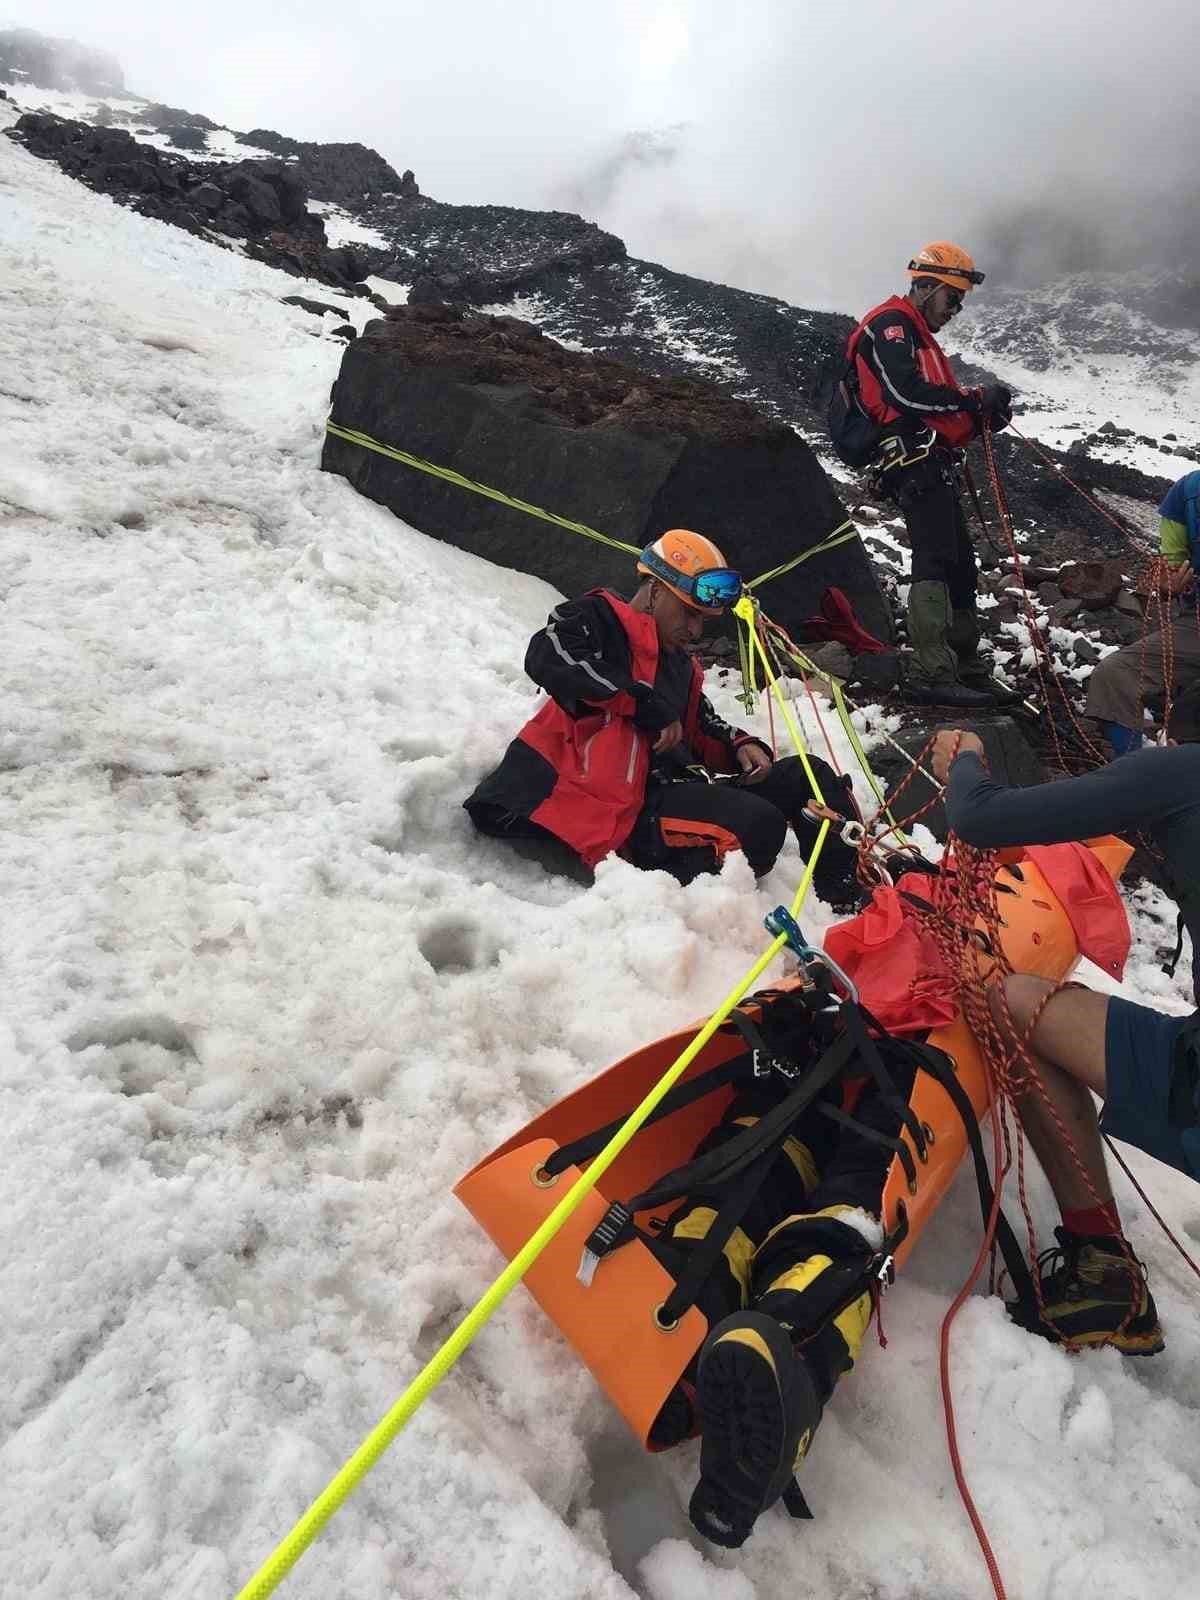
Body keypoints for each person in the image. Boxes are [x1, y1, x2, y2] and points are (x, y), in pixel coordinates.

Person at [929, 729, 1200, 1348]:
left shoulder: (1181, 774)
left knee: (1010, 1004)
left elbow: (979, 816)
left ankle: (1104, 1268)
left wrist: (966, 756)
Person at [464, 530, 862, 903]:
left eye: (702, 619)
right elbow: (548, 653)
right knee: (761, 825)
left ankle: (846, 898)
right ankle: (674, 892)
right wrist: (640, 701)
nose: (694, 628)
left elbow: (701, 725)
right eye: (688, 613)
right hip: (613, 811)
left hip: (668, 793)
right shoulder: (600, 619)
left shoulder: (678, 664)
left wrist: (740, 744)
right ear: (655, 589)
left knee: (809, 776)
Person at [846, 242, 1014, 708]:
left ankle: (964, 668)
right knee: (937, 558)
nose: (955, 309)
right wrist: (974, 399)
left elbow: (930, 408)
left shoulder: (915, 331)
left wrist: (977, 417)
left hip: (929, 460)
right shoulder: (892, 325)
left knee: (960, 562)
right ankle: (931, 671)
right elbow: (907, 396)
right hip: (911, 461)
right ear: (927, 286)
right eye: (951, 298)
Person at [1086, 468, 1200, 755]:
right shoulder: (1188, 492)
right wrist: (1169, 584)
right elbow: (1170, 575)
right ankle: (1137, 779)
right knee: (1114, 675)